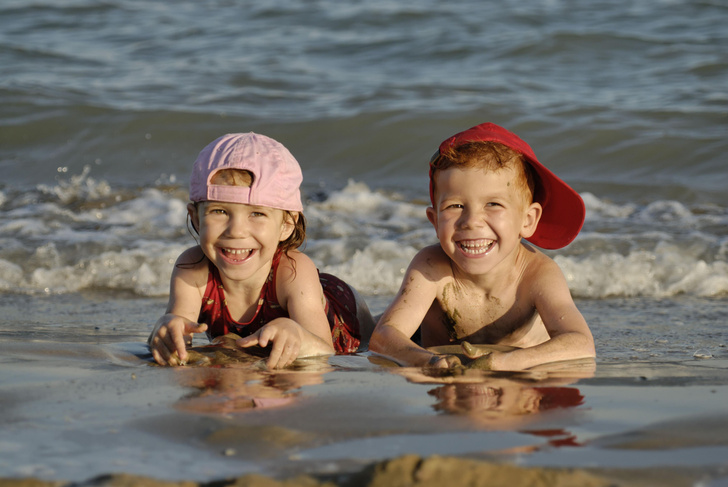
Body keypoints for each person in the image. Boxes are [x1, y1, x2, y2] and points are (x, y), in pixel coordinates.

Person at [369, 122, 595, 371]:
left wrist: (503, 362)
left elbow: (580, 344)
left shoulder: (536, 274)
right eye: (455, 206)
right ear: (434, 221)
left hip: (518, 388)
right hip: (446, 385)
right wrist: (427, 361)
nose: (471, 222)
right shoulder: (432, 267)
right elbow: (383, 337)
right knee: (365, 324)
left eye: (493, 204)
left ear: (527, 220)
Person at [148, 132, 374, 368]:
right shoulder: (192, 268)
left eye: (257, 213)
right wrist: (166, 329)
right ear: (195, 217)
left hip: (345, 317)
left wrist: (297, 334)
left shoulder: (293, 272)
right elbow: (180, 331)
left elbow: (325, 351)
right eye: (219, 211)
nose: (236, 231)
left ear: (287, 224)